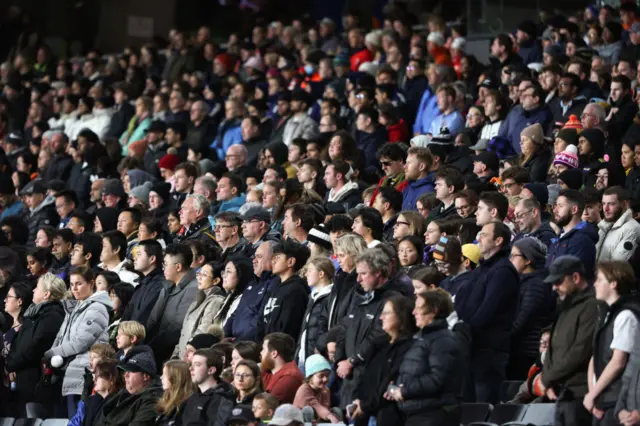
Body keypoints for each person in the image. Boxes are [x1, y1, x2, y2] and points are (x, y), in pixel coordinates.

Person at [454, 221, 519, 403]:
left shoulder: (503, 271)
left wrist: (464, 332)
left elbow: (488, 310)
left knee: (483, 407)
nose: (478, 239)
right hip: (472, 348)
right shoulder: (482, 268)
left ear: (498, 240)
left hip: (489, 352)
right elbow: (462, 302)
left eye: (483, 235)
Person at [335, 248, 404, 409]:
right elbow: (344, 328)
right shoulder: (360, 298)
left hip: (371, 381)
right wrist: (339, 360)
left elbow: (380, 335)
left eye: (363, 274)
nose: (358, 279)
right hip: (348, 378)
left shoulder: (394, 300)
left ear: (378, 273)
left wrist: (352, 361)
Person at [45, 266, 112, 417]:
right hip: (67, 372)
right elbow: (60, 337)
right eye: (72, 284)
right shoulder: (75, 308)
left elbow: (80, 342)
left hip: (83, 373)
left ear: (91, 283)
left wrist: (50, 353)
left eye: (79, 284)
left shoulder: (97, 308)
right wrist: (51, 354)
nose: (74, 288)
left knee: (77, 418)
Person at [541, 256, 599, 426]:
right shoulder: (565, 305)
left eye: (558, 281)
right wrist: (547, 377)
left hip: (580, 394)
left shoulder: (592, 305)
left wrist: (547, 378)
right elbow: (553, 346)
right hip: (562, 393)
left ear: (575, 277)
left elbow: (580, 351)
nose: (554, 288)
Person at [392, 289, 463, 426]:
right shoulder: (423, 338)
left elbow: (437, 379)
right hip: (418, 414)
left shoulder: (443, 340)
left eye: (418, 307)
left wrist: (404, 391)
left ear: (434, 310)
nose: (414, 312)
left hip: (434, 416)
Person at [350, 295, 417, 426]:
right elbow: (365, 377)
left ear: (401, 316)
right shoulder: (379, 344)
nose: (381, 317)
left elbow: (388, 384)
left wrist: (365, 405)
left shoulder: (409, 348)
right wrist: (357, 399)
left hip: (388, 417)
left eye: (386, 313)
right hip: (365, 413)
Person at [586, 261, 639, 425]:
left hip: (617, 402)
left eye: (600, 279)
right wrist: (593, 394)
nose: (595, 283)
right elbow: (594, 358)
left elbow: (618, 362)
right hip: (603, 399)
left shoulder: (626, 316)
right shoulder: (607, 315)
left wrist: (593, 394)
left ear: (614, 283)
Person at [5, 273, 66, 415]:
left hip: (35, 382)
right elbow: (19, 343)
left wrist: (10, 365)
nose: (33, 290)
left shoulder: (53, 316)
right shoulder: (34, 315)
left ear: (47, 294)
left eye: (37, 287)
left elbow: (34, 346)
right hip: (23, 377)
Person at [508, 237, 554, 379]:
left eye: (514, 255)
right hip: (518, 350)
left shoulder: (535, 285)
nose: (510, 259)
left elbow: (523, 320)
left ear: (528, 260)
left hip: (526, 352)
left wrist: (503, 336)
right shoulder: (523, 282)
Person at [146, 243, 198, 367]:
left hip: (168, 354)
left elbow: (177, 326)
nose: (162, 267)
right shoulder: (169, 284)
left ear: (178, 267)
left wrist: (151, 348)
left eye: (165, 264)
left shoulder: (192, 289)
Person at [95, 345, 163, 426]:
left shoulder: (153, 400)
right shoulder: (125, 392)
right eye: (125, 371)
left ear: (145, 376)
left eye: (130, 371)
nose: (125, 375)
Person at [258, 240, 310, 342]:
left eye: (277, 257)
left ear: (290, 261)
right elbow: (261, 321)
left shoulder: (297, 290)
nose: (273, 261)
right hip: (265, 347)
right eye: (272, 258)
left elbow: (289, 326)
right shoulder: (274, 286)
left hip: (280, 348)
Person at [172, 261, 225, 360]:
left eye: (204, 275)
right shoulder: (199, 297)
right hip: (183, 356)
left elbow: (203, 331)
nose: (199, 278)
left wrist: (187, 355)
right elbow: (184, 333)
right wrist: (175, 355)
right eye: (199, 274)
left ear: (216, 280)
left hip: (192, 357)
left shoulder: (216, 301)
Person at [546, 189, 598, 280]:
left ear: (574, 209)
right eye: (555, 206)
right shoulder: (559, 238)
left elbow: (572, 280)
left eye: (560, 206)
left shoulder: (582, 242)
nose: (555, 210)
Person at [179, 348, 235, 426]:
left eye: (197, 365)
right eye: (191, 364)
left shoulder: (222, 399)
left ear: (211, 370)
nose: (190, 368)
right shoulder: (191, 395)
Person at [121, 240, 169, 328]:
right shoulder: (143, 282)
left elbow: (144, 317)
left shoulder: (159, 284)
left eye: (139, 254)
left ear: (152, 259)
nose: (134, 258)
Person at [297, 256, 334, 367]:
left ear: (321, 274)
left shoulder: (330, 298)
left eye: (309, 271)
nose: (306, 274)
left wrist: (320, 348)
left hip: (319, 359)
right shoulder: (311, 298)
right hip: (303, 356)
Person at [69, 360, 122, 426]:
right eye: (94, 376)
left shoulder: (118, 404)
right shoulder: (92, 400)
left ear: (111, 379)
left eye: (97, 376)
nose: (94, 379)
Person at [596, 186, 640, 262]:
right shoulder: (604, 226)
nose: (606, 209)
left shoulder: (633, 228)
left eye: (611, 204)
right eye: (603, 203)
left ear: (624, 204)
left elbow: (616, 265)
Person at [294, 354, 341, 423]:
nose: (325, 379)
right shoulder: (304, 389)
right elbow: (316, 406)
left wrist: (332, 416)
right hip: (300, 423)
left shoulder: (325, 390)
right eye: (321, 376)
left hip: (317, 422)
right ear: (310, 377)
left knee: (336, 411)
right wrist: (329, 416)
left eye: (327, 375)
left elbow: (325, 407)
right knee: (309, 410)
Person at [261, 332, 305, 404]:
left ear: (274, 354)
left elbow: (267, 408)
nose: (261, 353)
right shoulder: (269, 370)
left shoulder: (289, 378)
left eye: (263, 349)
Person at [156, 360, 195, 426]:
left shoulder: (188, 406)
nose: (161, 377)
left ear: (176, 378)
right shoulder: (166, 398)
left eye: (165, 375)